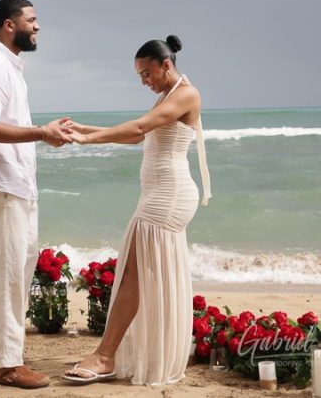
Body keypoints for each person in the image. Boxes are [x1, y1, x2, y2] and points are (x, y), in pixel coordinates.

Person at [62, 35, 211, 387]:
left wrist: (88, 140)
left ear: (166, 65)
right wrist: (86, 130)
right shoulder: (167, 96)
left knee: (132, 273)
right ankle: (109, 354)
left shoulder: (187, 94)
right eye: (139, 75)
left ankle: (104, 356)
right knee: (137, 274)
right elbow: (137, 136)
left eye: (146, 73)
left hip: (168, 197)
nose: (143, 81)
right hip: (158, 194)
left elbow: (141, 127)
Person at [0, 0, 71, 389]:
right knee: (7, 273)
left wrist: (44, 133)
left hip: (15, 182)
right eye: (32, 20)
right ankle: (5, 366)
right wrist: (41, 133)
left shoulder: (9, 66)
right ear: (10, 25)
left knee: (18, 267)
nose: (37, 26)